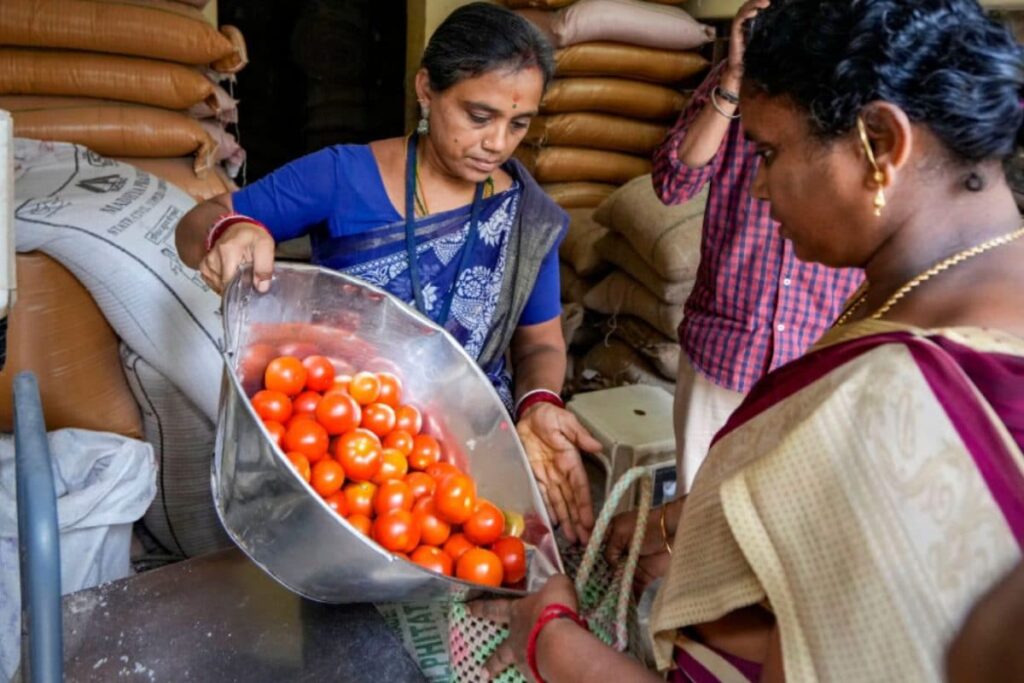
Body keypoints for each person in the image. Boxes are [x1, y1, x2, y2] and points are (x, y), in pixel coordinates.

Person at [473, 0, 1024, 680]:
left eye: (768, 152)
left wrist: (551, 639)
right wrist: (687, 527)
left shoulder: (897, 406)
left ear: (880, 142)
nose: (757, 187)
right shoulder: (945, 293)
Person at [175, 2, 599, 543]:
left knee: (471, 589)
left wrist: (538, 402)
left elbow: (540, 344)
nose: (498, 143)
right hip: (345, 444)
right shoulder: (343, 175)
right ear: (427, 89)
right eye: (479, 116)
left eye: (519, 124)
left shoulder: (527, 218)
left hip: (466, 450)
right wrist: (230, 231)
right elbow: (195, 222)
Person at [653, 0, 863, 496]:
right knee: (697, 520)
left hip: (816, 361)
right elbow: (673, 184)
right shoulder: (744, 83)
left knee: (787, 534)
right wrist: (735, 74)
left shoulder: (865, 93)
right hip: (726, 349)